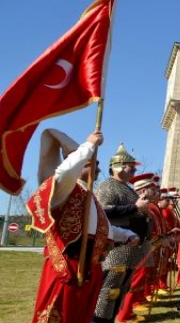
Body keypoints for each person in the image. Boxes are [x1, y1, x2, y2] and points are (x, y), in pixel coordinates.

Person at [26, 129, 138, 323]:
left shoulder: (89, 196)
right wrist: (88, 146)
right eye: (90, 163)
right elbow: (64, 173)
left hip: (90, 266)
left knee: (81, 316)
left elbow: (99, 227)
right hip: (69, 265)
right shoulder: (62, 190)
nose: (96, 167)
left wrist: (126, 235)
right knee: (61, 315)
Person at [94, 144, 151, 323]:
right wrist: (135, 207)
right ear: (118, 166)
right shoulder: (108, 186)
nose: (134, 169)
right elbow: (103, 211)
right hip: (116, 248)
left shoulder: (127, 188)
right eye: (130, 166)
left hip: (130, 249)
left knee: (120, 292)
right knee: (108, 292)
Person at [115, 173, 163, 323]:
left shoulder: (147, 208)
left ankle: (128, 312)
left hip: (142, 250)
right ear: (143, 191)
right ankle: (123, 317)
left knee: (135, 283)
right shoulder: (132, 206)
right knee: (129, 284)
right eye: (152, 189)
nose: (156, 192)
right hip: (130, 252)